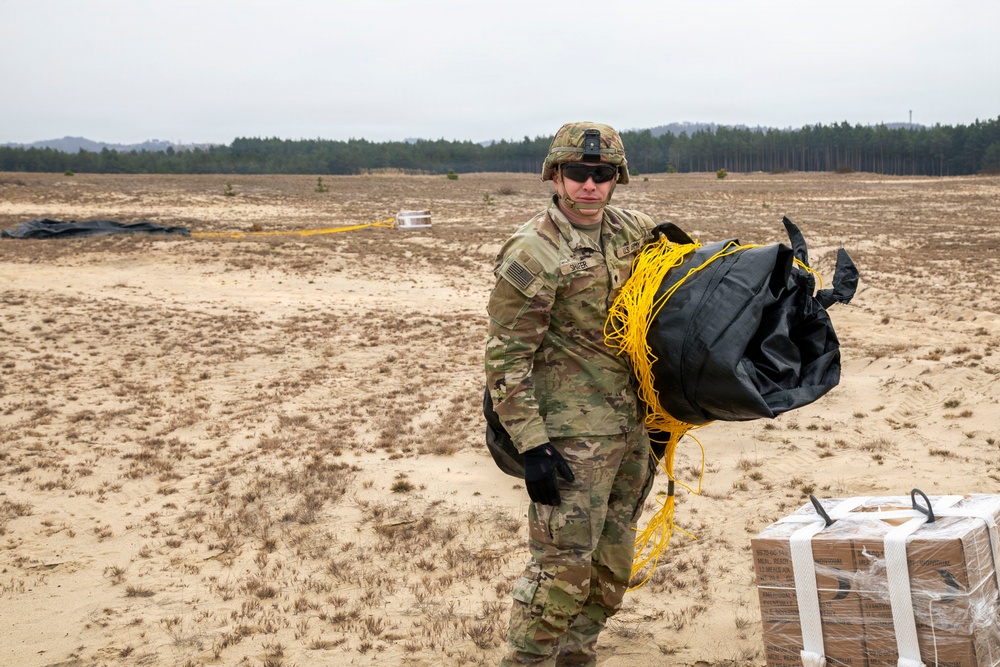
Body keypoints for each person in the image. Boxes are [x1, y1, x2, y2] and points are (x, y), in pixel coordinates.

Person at [484, 122, 659, 666]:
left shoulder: (634, 231)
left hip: (631, 429)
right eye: (577, 173)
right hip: (568, 439)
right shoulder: (534, 251)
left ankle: (577, 656)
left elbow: (683, 292)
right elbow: (505, 359)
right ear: (555, 176)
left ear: (617, 178)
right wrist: (532, 446)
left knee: (612, 564)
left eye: (601, 174)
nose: (589, 184)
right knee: (562, 570)